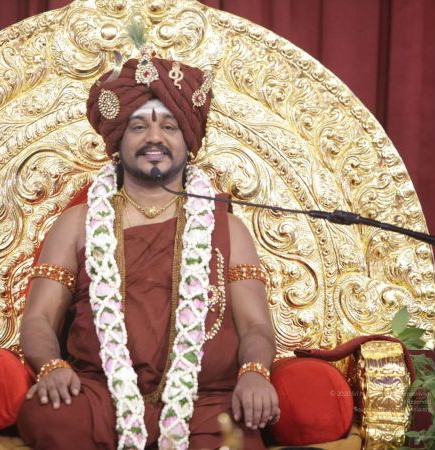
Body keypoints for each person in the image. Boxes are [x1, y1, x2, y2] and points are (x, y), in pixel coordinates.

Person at [17, 45, 279, 450]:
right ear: (118, 141)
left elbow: (256, 326)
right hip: (99, 397)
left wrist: (254, 373)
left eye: (169, 127)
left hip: (205, 402)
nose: (154, 137)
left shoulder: (229, 229)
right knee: (48, 415)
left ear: (188, 141)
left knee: (238, 437)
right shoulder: (78, 223)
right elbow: (38, 318)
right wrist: (50, 368)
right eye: (138, 126)